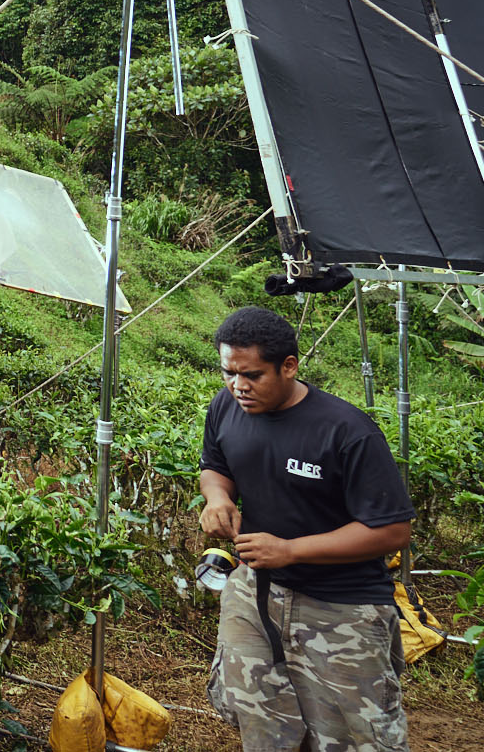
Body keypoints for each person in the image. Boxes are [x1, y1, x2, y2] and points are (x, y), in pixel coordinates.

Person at [199, 305, 414, 752]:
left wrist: (291, 550)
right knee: (260, 722)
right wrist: (217, 498)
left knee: (355, 738)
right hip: (254, 593)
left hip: (343, 609)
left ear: (289, 366)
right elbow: (215, 466)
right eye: (228, 373)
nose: (238, 386)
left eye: (253, 375)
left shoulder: (346, 432)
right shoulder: (226, 407)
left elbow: (392, 530)